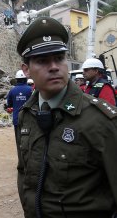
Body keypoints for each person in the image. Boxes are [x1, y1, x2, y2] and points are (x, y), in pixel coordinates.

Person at [16, 16, 117, 218]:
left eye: (59, 58)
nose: (54, 66)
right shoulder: (27, 115)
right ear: (26, 69)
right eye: (43, 60)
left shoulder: (99, 119)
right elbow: (24, 173)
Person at [6, 70, 32, 141]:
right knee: (29, 140)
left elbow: (9, 105)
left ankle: (20, 152)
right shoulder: (30, 90)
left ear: (17, 80)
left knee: (19, 140)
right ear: (25, 79)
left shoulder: (12, 91)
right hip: (29, 119)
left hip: (17, 119)